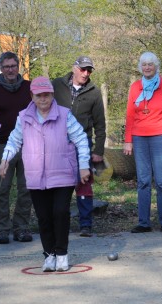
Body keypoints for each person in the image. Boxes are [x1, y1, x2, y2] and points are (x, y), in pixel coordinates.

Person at [0, 77, 90, 272]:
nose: (43, 99)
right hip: (35, 175)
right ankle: (49, 255)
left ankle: (62, 254)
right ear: (32, 96)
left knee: (60, 213)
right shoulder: (23, 117)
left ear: (52, 95)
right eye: (39, 95)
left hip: (62, 173)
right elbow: (14, 141)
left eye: (46, 95)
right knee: (43, 217)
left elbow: (81, 139)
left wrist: (83, 166)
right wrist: (5, 160)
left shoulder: (65, 115)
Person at [0, 51, 33, 244]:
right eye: (6, 66)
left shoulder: (29, 87)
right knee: (2, 188)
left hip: (28, 145)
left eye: (13, 66)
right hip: (3, 145)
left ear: (18, 67)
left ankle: (21, 227)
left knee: (26, 188)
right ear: (1, 69)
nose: (10, 70)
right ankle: (2, 229)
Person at [123, 51, 162, 233]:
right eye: (144, 64)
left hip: (161, 136)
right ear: (141, 67)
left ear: (156, 66)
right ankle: (144, 222)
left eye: (150, 64)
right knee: (143, 181)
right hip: (139, 138)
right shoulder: (135, 87)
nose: (147, 67)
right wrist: (128, 140)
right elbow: (130, 115)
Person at [53, 56, 106, 238]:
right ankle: (60, 222)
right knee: (59, 184)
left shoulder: (94, 92)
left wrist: (98, 150)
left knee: (84, 184)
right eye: (83, 69)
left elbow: (100, 124)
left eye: (89, 70)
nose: (86, 73)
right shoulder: (56, 86)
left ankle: (86, 224)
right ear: (74, 68)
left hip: (82, 143)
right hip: (57, 142)